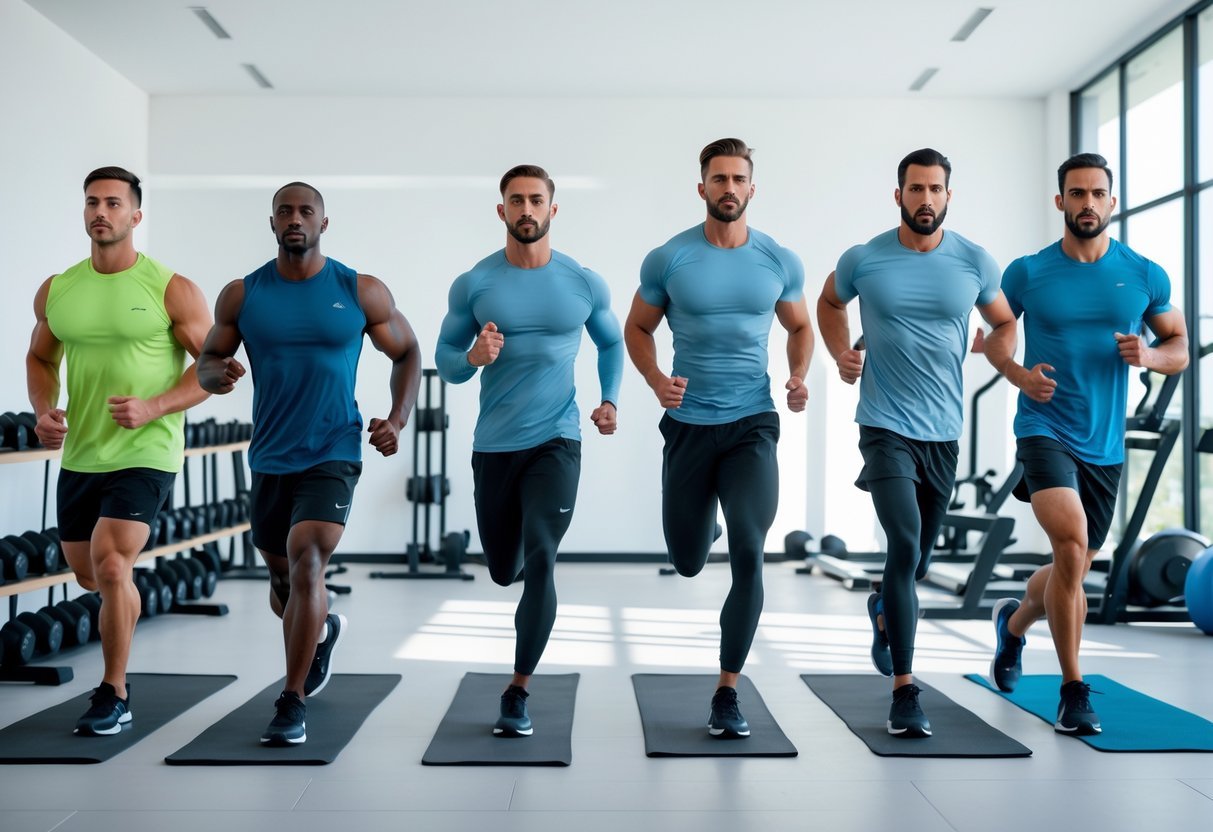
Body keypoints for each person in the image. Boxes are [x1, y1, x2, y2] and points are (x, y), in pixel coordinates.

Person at [198, 182, 422, 746]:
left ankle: (291, 699)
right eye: (285, 212)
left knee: (307, 563)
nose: (294, 219)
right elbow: (208, 359)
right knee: (281, 579)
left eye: (306, 211)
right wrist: (214, 375)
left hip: (334, 449)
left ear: (324, 223)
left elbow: (407, 351)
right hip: (271, 454)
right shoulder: (242, 295)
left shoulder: (359, 289)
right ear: (272, 223)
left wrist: (397, 420)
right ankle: (321, 632)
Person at [984, 152, 1188, 735]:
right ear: (1061, 201)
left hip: (1104, 443)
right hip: (1043, 426)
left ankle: (1013, 626)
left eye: (1098, 194)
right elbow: (997, 335)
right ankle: (1073, 690)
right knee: (1071, 544)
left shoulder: (1144, 274)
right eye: (1077, 193)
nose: (1088, 203)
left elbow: (1178, 345)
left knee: (1071, 563)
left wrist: (1149, 356)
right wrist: (1019, 375)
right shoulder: (1028, 272)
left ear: (1112, 202)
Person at [817, 148, 1015, 738]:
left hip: (943, 432)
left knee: (917, 562)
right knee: (903, 543)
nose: (925, 199)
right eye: (915, 189)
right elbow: (828, 302)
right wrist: (841, 352)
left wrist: (994, 348)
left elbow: (1005, 321)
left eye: (935, 189)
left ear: (948, 196)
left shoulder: (974, 261)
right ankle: (905, 690)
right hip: (883, 424)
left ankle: (883, 607)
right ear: (898, 194)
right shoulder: (864, 258)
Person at [625, 138, 812, 739]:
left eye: (738, 179)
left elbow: (801, 325)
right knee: (686, 560)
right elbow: (637, 327)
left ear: (752, 188)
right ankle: (703, 527)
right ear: (701, 187)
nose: (728, 188)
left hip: (752, 422)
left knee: (750, 549)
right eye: (718, 178)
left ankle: (727, 691)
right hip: (688, 425)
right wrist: (656, 380)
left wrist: (798, 375)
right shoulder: (669, 258)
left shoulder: (778, 259)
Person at [436, 164, 622, 738]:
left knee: (542, 553)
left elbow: (611, 342)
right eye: (516, 200)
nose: (526, 209)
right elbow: (445, 360)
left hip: (558, 439)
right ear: (502, 211)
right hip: (495, 445)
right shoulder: (475, 283)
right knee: (503, 569)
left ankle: (518, 689)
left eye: (536, 200)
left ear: (552, 209)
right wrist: (473, 357)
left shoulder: (583, 282)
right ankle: (508, 566)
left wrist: (608, 399)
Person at [26, 166, 212, 736]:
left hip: (148, 449)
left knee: (111, 564)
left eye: (112, 202)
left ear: (136, 214)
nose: (100, 212)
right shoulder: (58, 289)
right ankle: (122, 610)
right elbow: (40, 357)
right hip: (82, 453)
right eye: (92, 202)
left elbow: (214, 370)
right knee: (90, 575)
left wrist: (154, 407)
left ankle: (114, 691)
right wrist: (43, 408)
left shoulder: (170, 287)